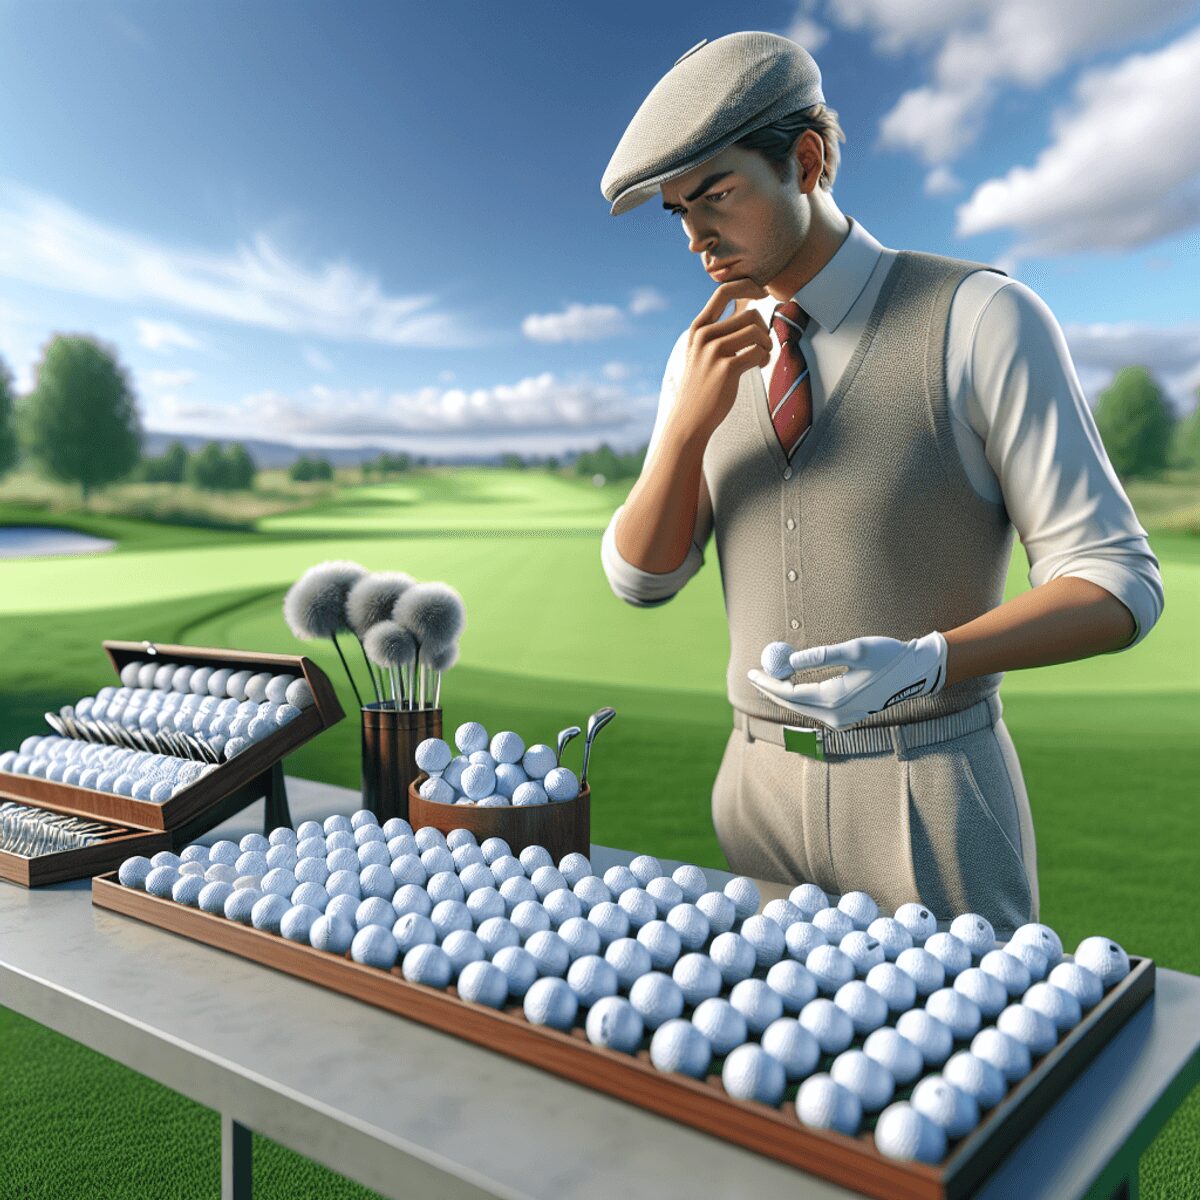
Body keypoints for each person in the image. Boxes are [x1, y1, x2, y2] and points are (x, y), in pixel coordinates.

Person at [598, 32, 1163, 934]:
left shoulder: (983, 316)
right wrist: (685, 426)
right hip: (754, 789)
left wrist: (931, 661)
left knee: (973, 1066)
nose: (697, 237)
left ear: (808, 160)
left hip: (928, 788)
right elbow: (642, 579)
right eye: (678, 212)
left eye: (717, 195)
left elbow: (1119, 584)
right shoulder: (700, 354)